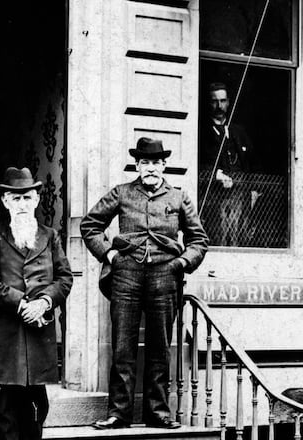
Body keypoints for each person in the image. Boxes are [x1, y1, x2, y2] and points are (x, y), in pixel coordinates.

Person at [81, 137, 208, 430]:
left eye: (156, 163)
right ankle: (118, 413)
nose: (150, 168)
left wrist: (181, 263)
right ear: (137, 165)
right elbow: (90, 225)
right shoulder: (122, 194)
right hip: (126, 274)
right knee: (123, 346)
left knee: (159, 346)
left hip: (166, 274)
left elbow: (198, 240)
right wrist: (108, 253)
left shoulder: (179, 198)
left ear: (164, 165)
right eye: (145, 163)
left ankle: (158, 412)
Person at [0, 167, 73, 440]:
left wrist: (43, 302)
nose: (22, 205)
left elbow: (65, 279)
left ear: (37, 201)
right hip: (5, 345)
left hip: (37, 342)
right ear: (5, 202)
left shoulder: (50, 236)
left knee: (36, 412)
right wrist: (22, 304)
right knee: (5, 420)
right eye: (15, 199)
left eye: (27, 198)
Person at [198, 82, 255, 246]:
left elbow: (252, 162)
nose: (219, 105)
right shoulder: (201, 131)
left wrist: (254, 190)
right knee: (219, 238)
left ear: (229, 102)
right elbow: (197, 163)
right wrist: (216, 175)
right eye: (215, 101)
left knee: (239, 238)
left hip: (239, 195)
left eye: (223, 101)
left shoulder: (238, 131)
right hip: (214, 197)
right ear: (209, 103)